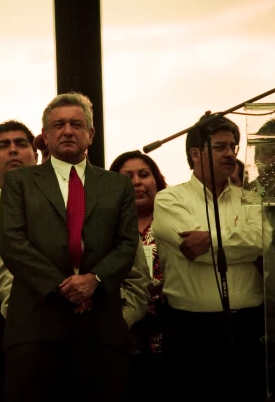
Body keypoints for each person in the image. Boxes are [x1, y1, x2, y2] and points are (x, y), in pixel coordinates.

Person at [0, 92, 139, 402]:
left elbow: (127, 244)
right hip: (35, 326)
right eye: (58, 125)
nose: (67, 131)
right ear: (45, 136)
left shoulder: (117, 185)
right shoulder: (19, 182)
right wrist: (65, 288)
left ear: (90, 134)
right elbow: (13, 244)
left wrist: (94, 281)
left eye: (76, 124)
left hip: (100, 327)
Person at [152, 115, 265, 400]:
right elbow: (191, 250)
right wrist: (238, 244)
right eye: (220, 147)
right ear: (195, 153)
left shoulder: (250, 198)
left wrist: (211, 240)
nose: (230, 153)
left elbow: (262, 241)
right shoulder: (169, 199)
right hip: (190, 330)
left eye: (233, 147)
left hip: (247, 327)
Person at [109, 150, 168, 399]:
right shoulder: (106, 226)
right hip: (122, 326)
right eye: (127, 176)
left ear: (156, 180)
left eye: (144, 175)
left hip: (168, 324)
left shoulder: (173, 219)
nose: (137, 182)